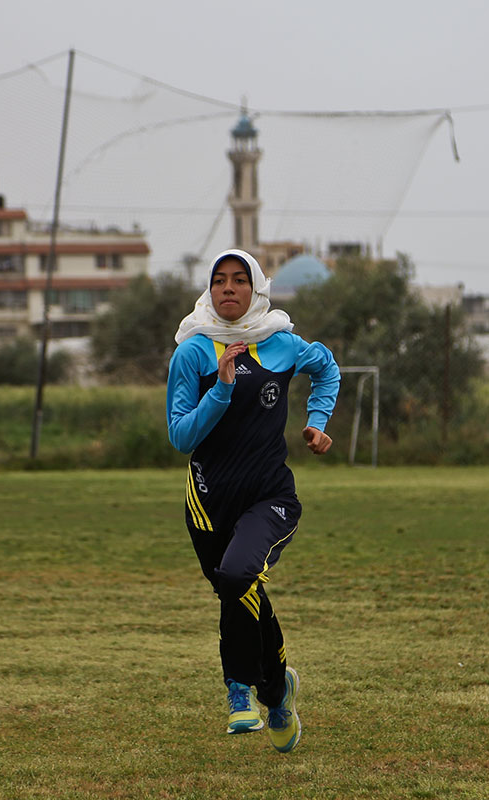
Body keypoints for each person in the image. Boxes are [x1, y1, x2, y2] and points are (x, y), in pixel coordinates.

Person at [165, 248, 339, 752]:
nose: (229, 288)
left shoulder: (279, 342)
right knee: (238, 590)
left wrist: (317, 421)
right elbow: (181, 436)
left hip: (269, 496)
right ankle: (278, 693)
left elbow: (327, 368)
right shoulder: (192, 352)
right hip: (208, 502)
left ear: (257, 287)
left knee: (239, 575)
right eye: (219, 280)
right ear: (209, 289)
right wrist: (220, 388)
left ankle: (239, 691)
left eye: (239, 279)